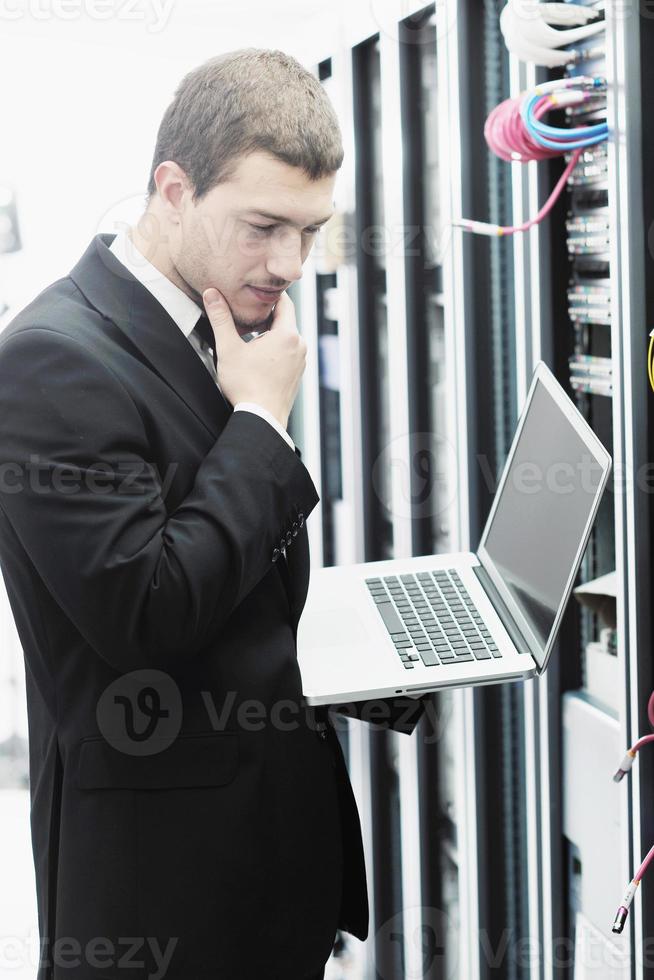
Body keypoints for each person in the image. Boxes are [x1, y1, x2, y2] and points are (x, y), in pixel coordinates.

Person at [0, 49, 427, 980]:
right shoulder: (48, 361)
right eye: (264, 226)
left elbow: (237, 592)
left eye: (311, 232)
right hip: (165, 902)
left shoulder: (219, 326)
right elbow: (146, 614)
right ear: (173, 190)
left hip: (262, 874)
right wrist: (263, 423)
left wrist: (381, 649)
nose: (290, 265)